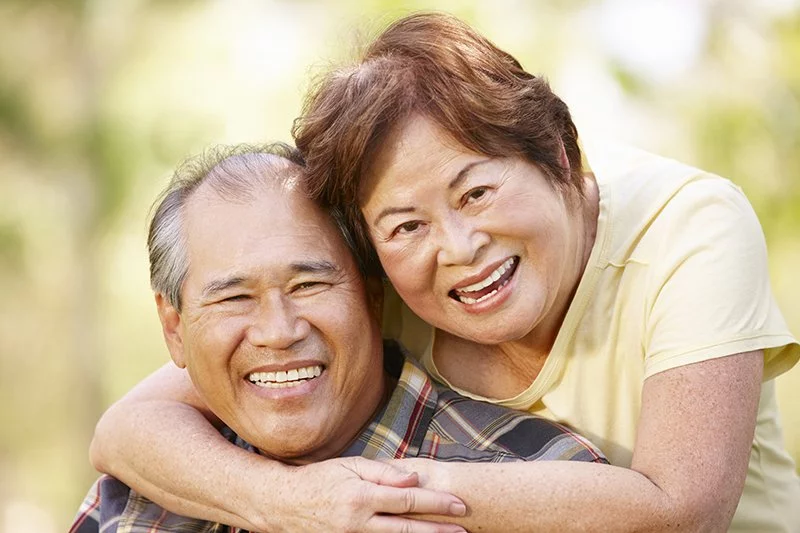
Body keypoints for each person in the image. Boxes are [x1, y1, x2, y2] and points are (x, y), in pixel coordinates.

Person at [90, 12, 800, 533]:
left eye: (476, 193)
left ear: (558, 155)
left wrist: (366, 494)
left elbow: (685, 510)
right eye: (405, 224)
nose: (458, 247)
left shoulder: (688, 227)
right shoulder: (388, 279)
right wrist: (288, 500)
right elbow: (128, 427)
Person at [72, 144, 605, 533]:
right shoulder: (142, 495)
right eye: (234, 298)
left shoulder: (544, 483)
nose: (279, 332)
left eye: (309, 285)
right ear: (174, 329)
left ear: (375, 297)